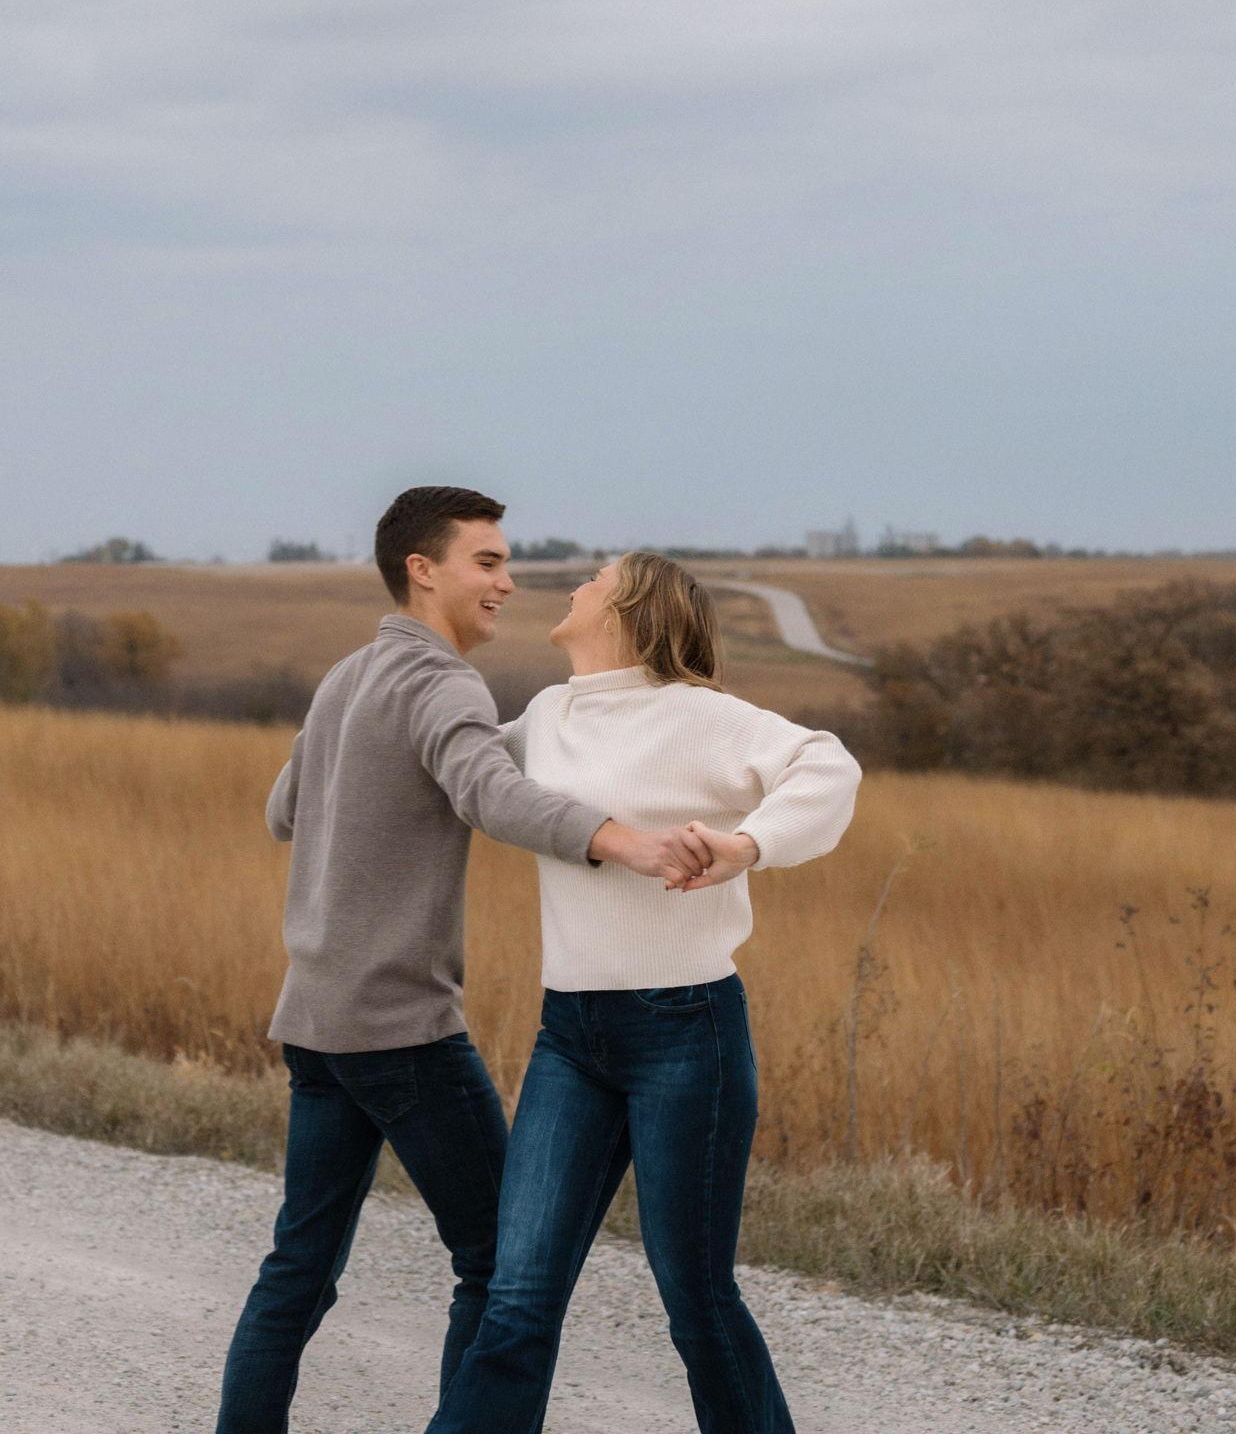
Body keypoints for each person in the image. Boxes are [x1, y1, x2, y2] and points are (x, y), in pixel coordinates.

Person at [214, 489, 714, 1433]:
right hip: (400, 1029)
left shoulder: (348, 676)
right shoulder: (444, 684)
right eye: (486, 562)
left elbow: (283, 811)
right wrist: (625, 841)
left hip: (316, 1023)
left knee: (299, 1266)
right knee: (498, 1264)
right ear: (422, 569)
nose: (507, 582)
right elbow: (492, 795)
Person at [425, 552, 861, 1434]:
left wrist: (748, 846)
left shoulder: (699, 715)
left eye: (597, 575)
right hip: (570, 1036)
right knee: (517, 1294)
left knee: (696, 1298)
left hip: (686, 1033)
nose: (575, 583)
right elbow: (463, 772)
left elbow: (828, 764)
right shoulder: (549, 715)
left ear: (630, 607)